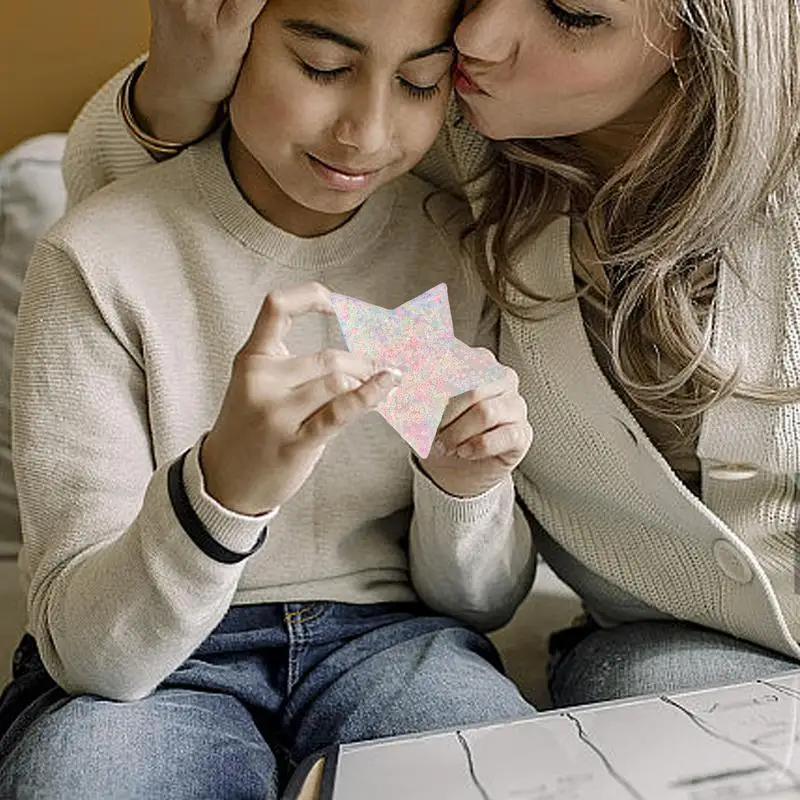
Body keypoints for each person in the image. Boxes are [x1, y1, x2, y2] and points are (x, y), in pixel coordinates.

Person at [59, 0, 800, 711]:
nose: (477, 34)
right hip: (659, 650)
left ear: (711, 45)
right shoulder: (446, 131)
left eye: (572, 13)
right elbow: (140, 211)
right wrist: (178, 81)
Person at [0, 0, 539, 796]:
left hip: (391, 644)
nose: (367, 131)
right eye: (323, 68)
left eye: (420, 83)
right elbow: (95, 657)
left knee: (508, 772)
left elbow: (483, 603)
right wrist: (225, 490)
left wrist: (463, 487)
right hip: (158, 669)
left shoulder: (446, 247)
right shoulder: (100, 259)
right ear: (231, 44)